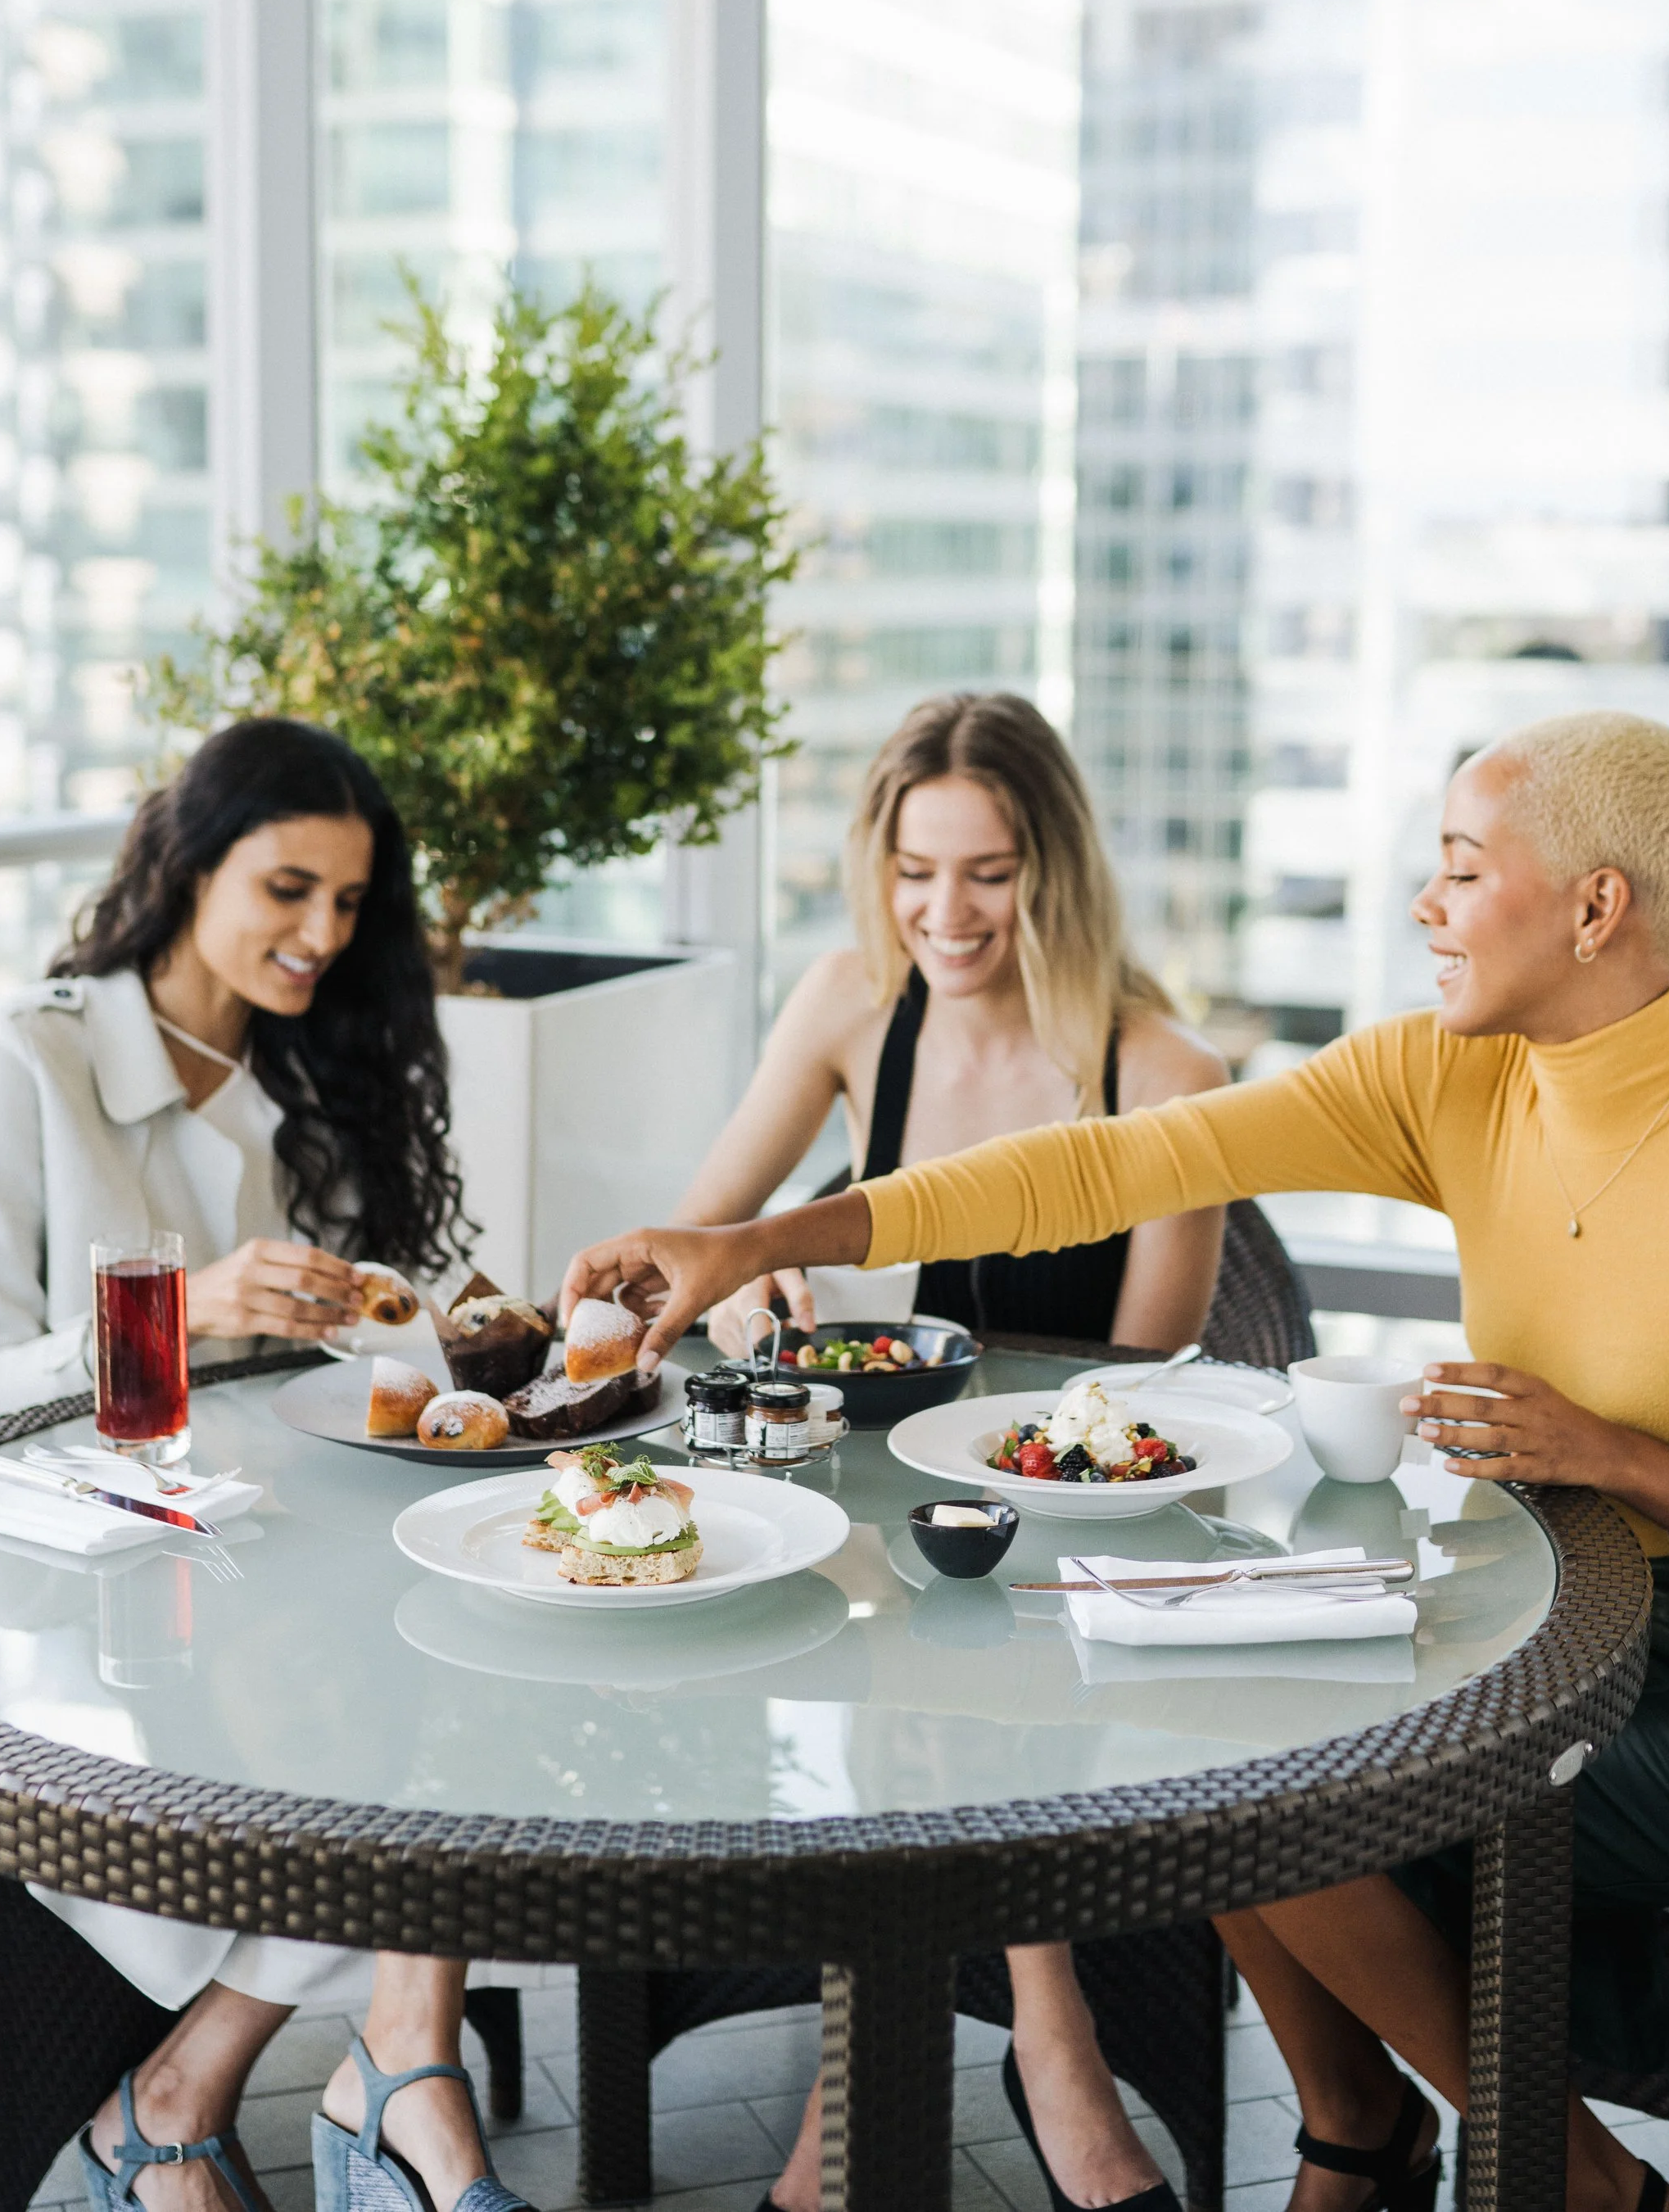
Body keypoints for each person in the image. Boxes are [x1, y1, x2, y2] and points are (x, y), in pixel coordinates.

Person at [564, 709, 1669, 2212]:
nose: (1427, 905)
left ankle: (1557, 2177)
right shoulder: (1454, 1082)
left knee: (1282, 1781)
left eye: (1464, 872)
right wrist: (754, 1240)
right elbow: (1101, 1161)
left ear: (1599, 908)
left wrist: (1630, 1461)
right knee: (1202, 1730)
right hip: (1573, 1624)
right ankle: (1364, 2131)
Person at [0, 720, 531, 2212]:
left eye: (348, 903)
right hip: (59, 1589)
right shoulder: (32, 1052)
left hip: (256, 1552)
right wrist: (180, 1315)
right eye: (287, 889)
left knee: (479, 1672)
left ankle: (200, 2105)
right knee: (409, 1756)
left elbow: (333, 1371)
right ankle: (374, 2085)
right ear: (190, 865)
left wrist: (439, 1337)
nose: (322, 935)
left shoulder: (308, 1068)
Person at [676, 692, 1227, 2212]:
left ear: (1053, 867)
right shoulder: (855, 1007)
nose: (944, 911)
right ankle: (1056, 2061)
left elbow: (1145, 1387)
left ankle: (875, 2103)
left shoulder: (1162, 1073)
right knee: (891, 1622)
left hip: (1078, 1524)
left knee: (930, 1654)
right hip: (887, 1515)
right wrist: (749, 1300)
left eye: (986, 872)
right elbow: (705, 1244)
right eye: (916, 871)